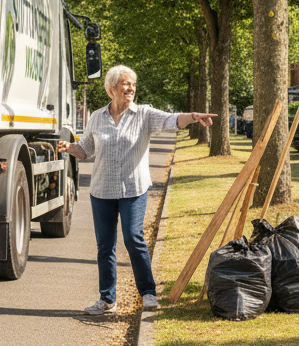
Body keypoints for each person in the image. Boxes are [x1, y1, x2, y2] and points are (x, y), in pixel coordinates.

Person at [57, 65, 215, 315]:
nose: (130, 88)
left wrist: (193, 116)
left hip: (134, 188)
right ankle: (107, 299)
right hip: (102, 190)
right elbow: (86, 149)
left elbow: (171, 120)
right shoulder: (97, 117)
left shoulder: (144, 114)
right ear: (111, 89)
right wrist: (70, 148)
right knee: (104, 246)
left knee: (133, 238)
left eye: (132, 84)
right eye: (125, 84)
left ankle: (148, 293)